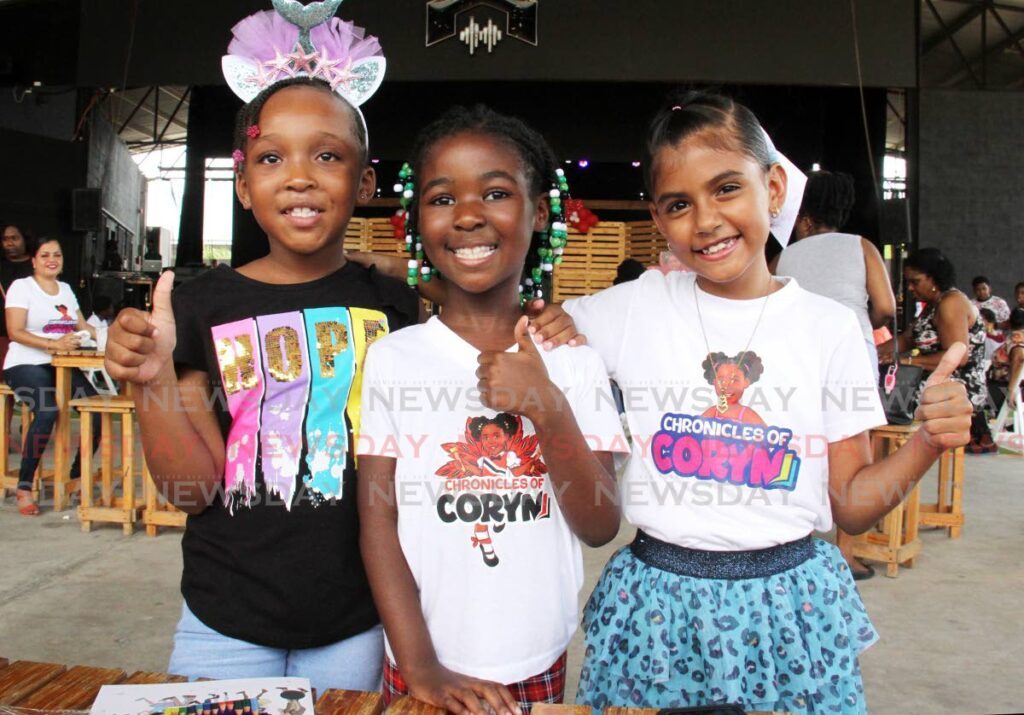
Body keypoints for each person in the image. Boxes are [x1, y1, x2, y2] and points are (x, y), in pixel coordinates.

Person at [559, 91, 971, 713]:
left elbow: (853, 506)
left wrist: (927, 442)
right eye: (679, 204)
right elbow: (519, 331)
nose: (705, 220)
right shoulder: (631, 309)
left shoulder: (828, 328)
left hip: (791, 610)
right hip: (658, 615)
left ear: (774, 188)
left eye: (727, 188)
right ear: (658, 218)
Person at [101, 4, 406, 693]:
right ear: (243, 184)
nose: (299, 176)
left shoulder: (397, 306)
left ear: (364, 183)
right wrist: (150, 383)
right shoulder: (200, 305)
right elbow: (190, 487)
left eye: (327, 155)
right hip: (225, 618)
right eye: (271, 157)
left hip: (358, 618)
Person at [357, 105, 625, 715]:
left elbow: (600, 524)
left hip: (536, 658)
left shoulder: (575, 363)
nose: (470, 215)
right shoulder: (394, 360)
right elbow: (379, 522)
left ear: (538, 213)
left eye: (497, 192)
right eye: (442, 197)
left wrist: (547, 407)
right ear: (417, 221)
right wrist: (420, 665)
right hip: (419, 661)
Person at [773, 169, 897, 581]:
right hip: (852, 352)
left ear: (804, 214)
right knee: (852, 449)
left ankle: (798, 541)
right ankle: (846, 553)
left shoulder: (787, 254)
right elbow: (886, 307)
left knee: (799, 444)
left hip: (795, 355)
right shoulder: (860, 246)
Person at [3, 236, 100, 516]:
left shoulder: (66, 290)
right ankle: (24, 485)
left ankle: (75, 476)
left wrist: (111, 335)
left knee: (95, 411)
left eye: (56, 254)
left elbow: (84, 326)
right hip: (25, 364)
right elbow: (15, 331)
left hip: (63, 364)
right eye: (44, 255)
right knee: (47, 410)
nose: (51, 260)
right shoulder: (22, 288)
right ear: (33, 260)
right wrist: (53, 344)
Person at [774, 169, 896, 376]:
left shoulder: (780, 259)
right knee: (855, 406)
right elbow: (886, 308)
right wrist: (859, 322)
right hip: (853, 346)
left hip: (798, 352)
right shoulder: (863, 246)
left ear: (805, 220)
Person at [881, 249, 995, 453]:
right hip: (933, 382)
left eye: (915, 282)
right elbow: (906, 339)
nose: (910, 288)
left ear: (933, 279)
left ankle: (879, 461)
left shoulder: (951, 303)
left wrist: (905, 362)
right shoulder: (933, 304)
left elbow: (957, 357)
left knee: (875, 399)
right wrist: (869, 352)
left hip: (957, 388)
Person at [1, 224, 36, 366]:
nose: (9, 243)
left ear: (25, 239)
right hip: (3, 333)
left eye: (14, 238)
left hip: (31, 333)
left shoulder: (37, 265)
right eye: (5, 239)